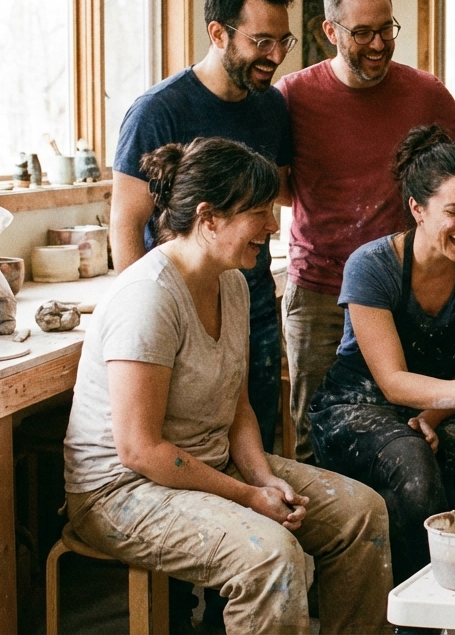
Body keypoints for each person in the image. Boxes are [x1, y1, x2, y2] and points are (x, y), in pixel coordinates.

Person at [64, 138, 392, 635]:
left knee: (361, 514)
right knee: (271, 560)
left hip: (206, 461)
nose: (271, 225)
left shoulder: (231, 283)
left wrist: (262, 477)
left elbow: (234, 406)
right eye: (258, 212)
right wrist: (245, 495)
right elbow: (140, 450)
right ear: (208, 217)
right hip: (119, 491)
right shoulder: (147, 299)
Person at [306, 126, 455, 584]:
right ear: (417, 208)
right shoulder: (372, 266)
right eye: (454, 211)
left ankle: (451, 595)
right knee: (414, 469)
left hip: (438, 404)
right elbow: (392, 380)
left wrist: (432, 415)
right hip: (360, 403)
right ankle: (412, 614)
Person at [278, 0, 455, 464]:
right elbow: (278, 184)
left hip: (398, 291)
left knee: (398, 427)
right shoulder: (293, 95)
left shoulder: (423, 91)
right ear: (330, 31)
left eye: (386, 28)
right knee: (315, 432)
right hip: (319, 287)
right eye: (362, 32)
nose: (378, 44)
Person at [110, 0, 294, 454]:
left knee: (256, 438)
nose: (275, 56)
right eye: (261, 42)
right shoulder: (158, 110)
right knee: (182, 447)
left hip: (248, 299)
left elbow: (279, 194)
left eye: (283, 41)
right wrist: (139, 313)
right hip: (173, 306)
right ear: (218, 33)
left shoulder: (272, 107)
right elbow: (126, 222)